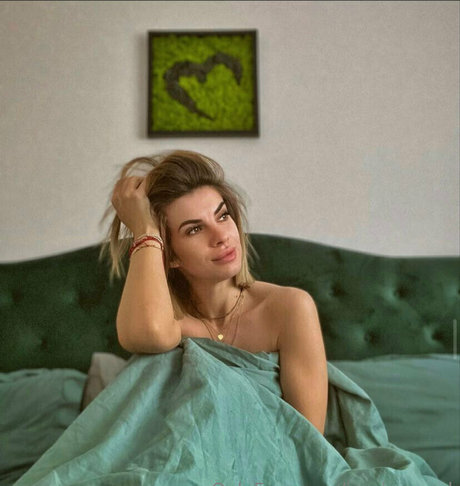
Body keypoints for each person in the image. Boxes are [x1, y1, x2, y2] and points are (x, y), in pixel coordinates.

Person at [100, 149, 328, 435]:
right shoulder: (170, 323)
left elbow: (310, 437)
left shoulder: (289, 307)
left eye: (222, 216)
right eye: (194, 229)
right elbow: (147, 335)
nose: (222, 236)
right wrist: (146, 230)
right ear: (170, 255)